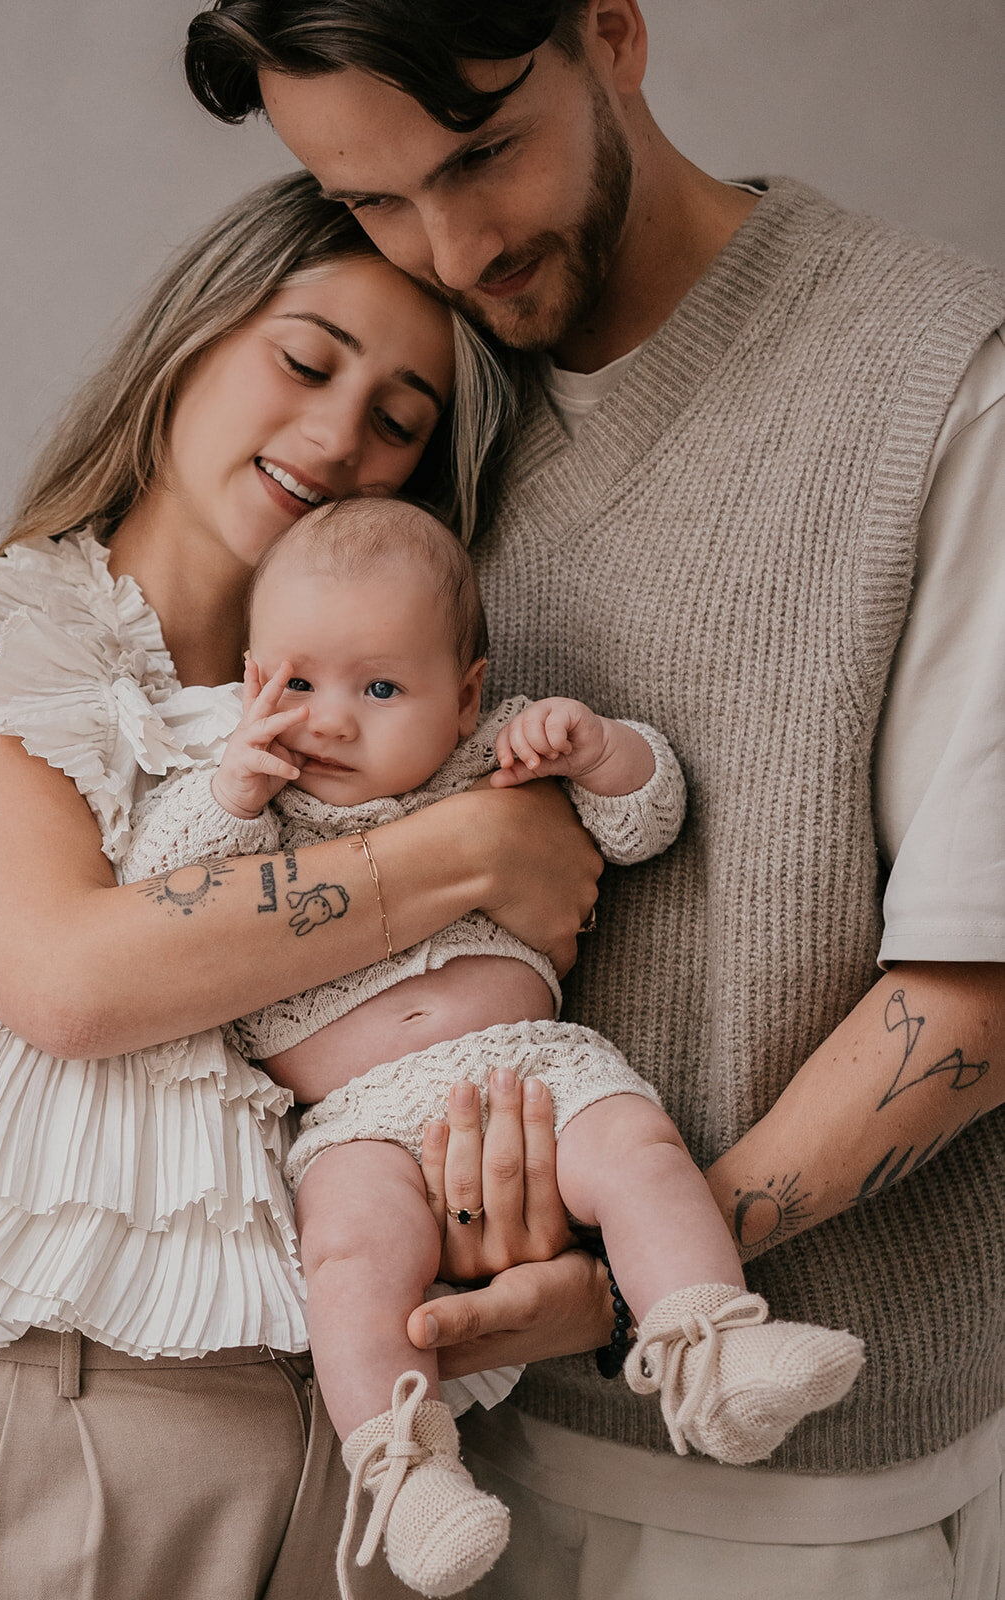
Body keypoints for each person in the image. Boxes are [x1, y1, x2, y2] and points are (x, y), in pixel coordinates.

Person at [182, 3, 1005, 1596]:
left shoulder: (937, 390)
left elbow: (975, 991)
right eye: (370, 199)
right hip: (396, 1448)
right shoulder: (411, 390)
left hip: (776, 1489)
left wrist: (624, 1277)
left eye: (481, 152)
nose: (451, 246)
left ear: (611, 33)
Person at [0, 169, 605, 1600]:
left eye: (398, 424)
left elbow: (452, 1066)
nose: (333, 435)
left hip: (371, 1449)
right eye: (304, 360)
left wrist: (541, 1259)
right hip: (54, 1415)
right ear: (189, 340)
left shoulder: (430, 736)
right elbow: (74, 980)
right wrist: (474, 851)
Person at [125, 495, 862, 1596]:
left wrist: (600, 749)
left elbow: (641, 818)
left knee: (641, 1158)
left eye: (379, 688)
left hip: (535, 1065)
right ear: (248, 680)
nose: (328, 719)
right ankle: (403, 1475)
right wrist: (232, 783)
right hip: (355, 1122)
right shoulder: (249, 805)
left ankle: (709, 1345)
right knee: (351, 1263)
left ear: (462, 693)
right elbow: (155, 899)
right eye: (295, 683)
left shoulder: (491, 757)